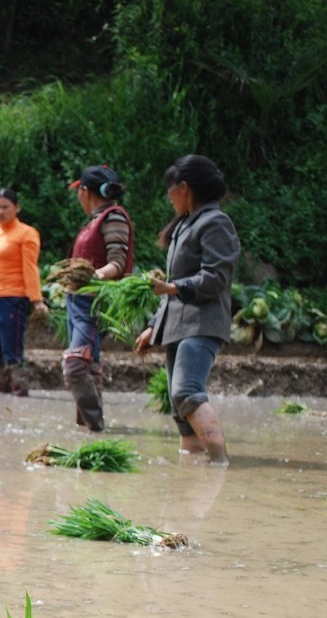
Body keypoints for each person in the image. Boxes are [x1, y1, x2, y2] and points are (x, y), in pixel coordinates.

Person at [134, 154, 240, 465]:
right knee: (178, 406)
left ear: (185, 188)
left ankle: (221, 464)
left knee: (186, 391)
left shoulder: (216, 222)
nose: (168, 197)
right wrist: (154, 325)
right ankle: (191, 466)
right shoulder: (184, 226)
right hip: (177, 325)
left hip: (203, 322)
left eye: (171, 189)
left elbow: (217, 276)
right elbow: (171, 284)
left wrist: (173, 288)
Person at [61, 165, 135, 431]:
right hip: (78, 303)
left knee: (76, 364)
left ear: (84, 191)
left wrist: (92, 278)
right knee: (89, 365)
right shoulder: (95, 219)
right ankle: (86, 432)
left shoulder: (113, 218)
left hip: (94, 302)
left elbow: (116, 263)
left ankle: (96, 428)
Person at [0, 187, 47, 396]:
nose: (0, 212)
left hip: (14, 297)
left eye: (5, 207)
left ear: (17, 208)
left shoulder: (26, 233)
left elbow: (30, 268)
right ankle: (1, 391)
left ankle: (20, 389)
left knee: (11, 348)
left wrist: (37, 301)